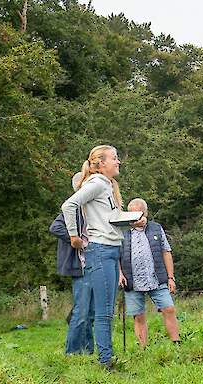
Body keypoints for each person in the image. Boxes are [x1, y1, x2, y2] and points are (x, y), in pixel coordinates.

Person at [61, 145, 128, 370]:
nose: (118, 162)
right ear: (100, 164)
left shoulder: (108, 186)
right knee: (103, 311)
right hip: (99, 251)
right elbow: (69, 205)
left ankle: (107, 357)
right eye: (114, 158)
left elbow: (108, 218)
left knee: (106, 310)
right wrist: (74, 237)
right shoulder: (97, 182)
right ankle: (106, 362)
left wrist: (130, 219)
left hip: (110, 250)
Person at [119, 198, 180, 348]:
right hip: (131, 280)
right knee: (138, 315)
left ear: (145, 213)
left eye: (138, 213)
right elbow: (115, 256)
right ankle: (143, 348)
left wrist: (170, 277)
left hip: (156, 278)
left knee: (169, 308)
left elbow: (166, 252)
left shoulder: (156, 228)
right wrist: (119, 274)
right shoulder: (122, 231)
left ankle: (176, 343)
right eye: (132, 213)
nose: (135, 217)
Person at [50, 172, 94, 354]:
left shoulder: (92, 210)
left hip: (95, 264)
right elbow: (55, 227)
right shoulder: (73, 209)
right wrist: (75, 239)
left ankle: (88, 351)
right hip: (80, 266)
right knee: (82, 312)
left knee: (90, 313)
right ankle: (72, 353)